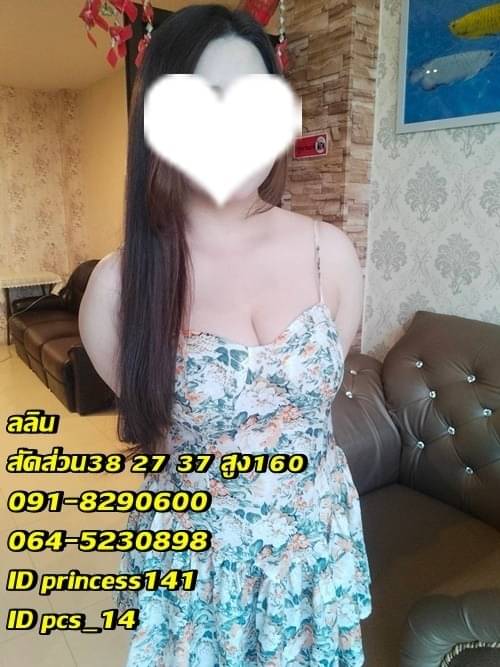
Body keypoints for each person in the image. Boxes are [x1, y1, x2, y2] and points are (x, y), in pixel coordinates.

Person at [78, 4, 372, 665]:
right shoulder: (120, 289)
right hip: (198, 579)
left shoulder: (331, 255)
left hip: (313, 561)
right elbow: (153, 423)